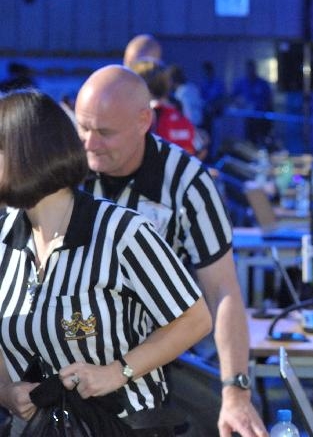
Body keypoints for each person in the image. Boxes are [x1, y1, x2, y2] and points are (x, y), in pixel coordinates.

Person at [0, 90, 212, 436]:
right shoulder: (4, 237)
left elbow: (194, 318)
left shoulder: (122, 232)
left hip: (124, 425)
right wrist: (6, 391)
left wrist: (118, 371)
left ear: (28, 155)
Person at [73, 66, 268, 437]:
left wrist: (236, 391)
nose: (89, 144)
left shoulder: (187, 184)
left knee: (232, 417)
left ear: (144, 120)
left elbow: (222, 290)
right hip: (68, 351)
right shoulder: (66, 169)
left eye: (105, 132)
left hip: (153, 358)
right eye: (82, 128)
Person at [230, 60, 274, 147]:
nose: (250, 71)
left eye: (252, 68)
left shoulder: (263, 83)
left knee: (263, 140)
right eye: (248, 69)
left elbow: (269, 100)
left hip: (262, 118)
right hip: (249, 118)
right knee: (250, 140)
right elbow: (232, 96)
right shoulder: (242, 83)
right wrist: (239, 105)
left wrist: (266, 113)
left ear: (255, 69)